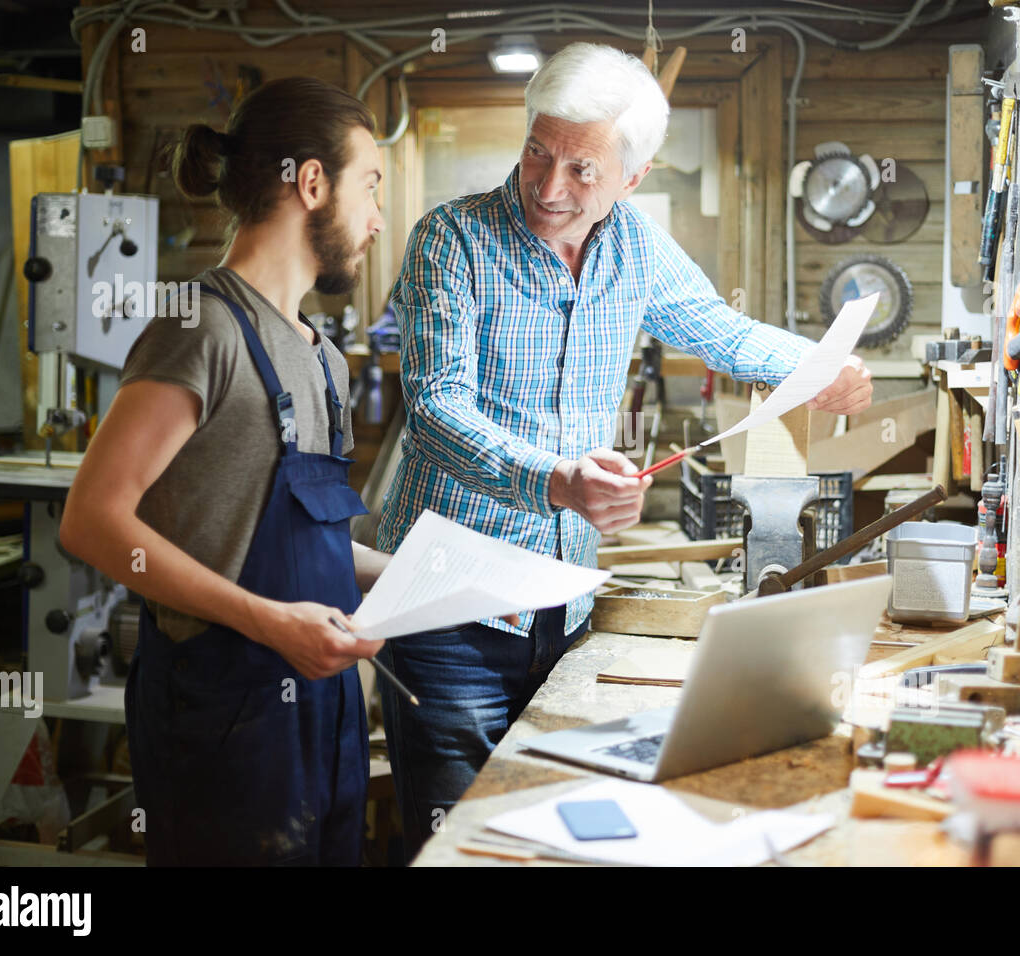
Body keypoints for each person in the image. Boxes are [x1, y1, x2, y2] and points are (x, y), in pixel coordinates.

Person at [375, 42, 875, 861]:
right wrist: (554, 479)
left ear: (632, 178)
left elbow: (719, 329)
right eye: (539, 151)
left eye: (582, 169)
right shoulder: (452, 241)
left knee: (547, 834)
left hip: (564, 606)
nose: (548, 186)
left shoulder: (635, 249)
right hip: (447, 607)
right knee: (459, 843)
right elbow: (436, 409)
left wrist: (820, 366)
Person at [60, 77, 389, 865]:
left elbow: (298, 541)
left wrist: (421, 573)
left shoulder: (321, 358)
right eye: (370, 185)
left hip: (322, 703)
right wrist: (268, 621)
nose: (379, 216)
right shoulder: (199, 328)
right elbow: (93, 519)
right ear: (311, 183)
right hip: (225, 710)